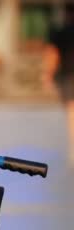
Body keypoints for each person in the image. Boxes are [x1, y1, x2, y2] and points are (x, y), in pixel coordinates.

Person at [42, 4, 74, 166]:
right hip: (68, 75)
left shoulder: (60, 33)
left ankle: (73, 147)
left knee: (71, 111)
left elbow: (52, 55)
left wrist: (47, 75)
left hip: (69, 76)